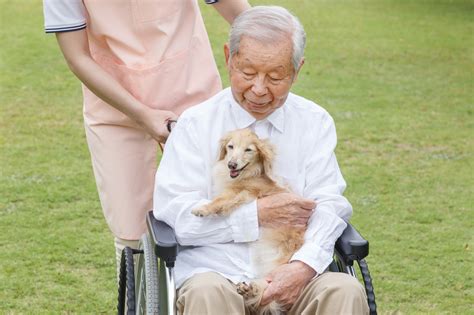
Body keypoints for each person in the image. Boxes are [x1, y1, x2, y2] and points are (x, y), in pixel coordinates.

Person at [153, 5, 370, 315]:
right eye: (248, 73)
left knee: (343, 290)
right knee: (206, 294)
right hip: (215, 274)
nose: (258, 89)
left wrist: (303, 266)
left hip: (290, 268)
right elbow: (181, 221)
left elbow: (329, 204)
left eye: (275, 77)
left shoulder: (314, 122)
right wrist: (255, 215)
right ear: (229, 57)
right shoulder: (195, 124)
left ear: (297, 71)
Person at [42, 0, 250, 276]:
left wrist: (273, 54)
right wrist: (141, 113)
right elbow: (76, 56)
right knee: (131, 231)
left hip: (192, 95)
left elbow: (240, 15)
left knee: (215, 208)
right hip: (115, 109)